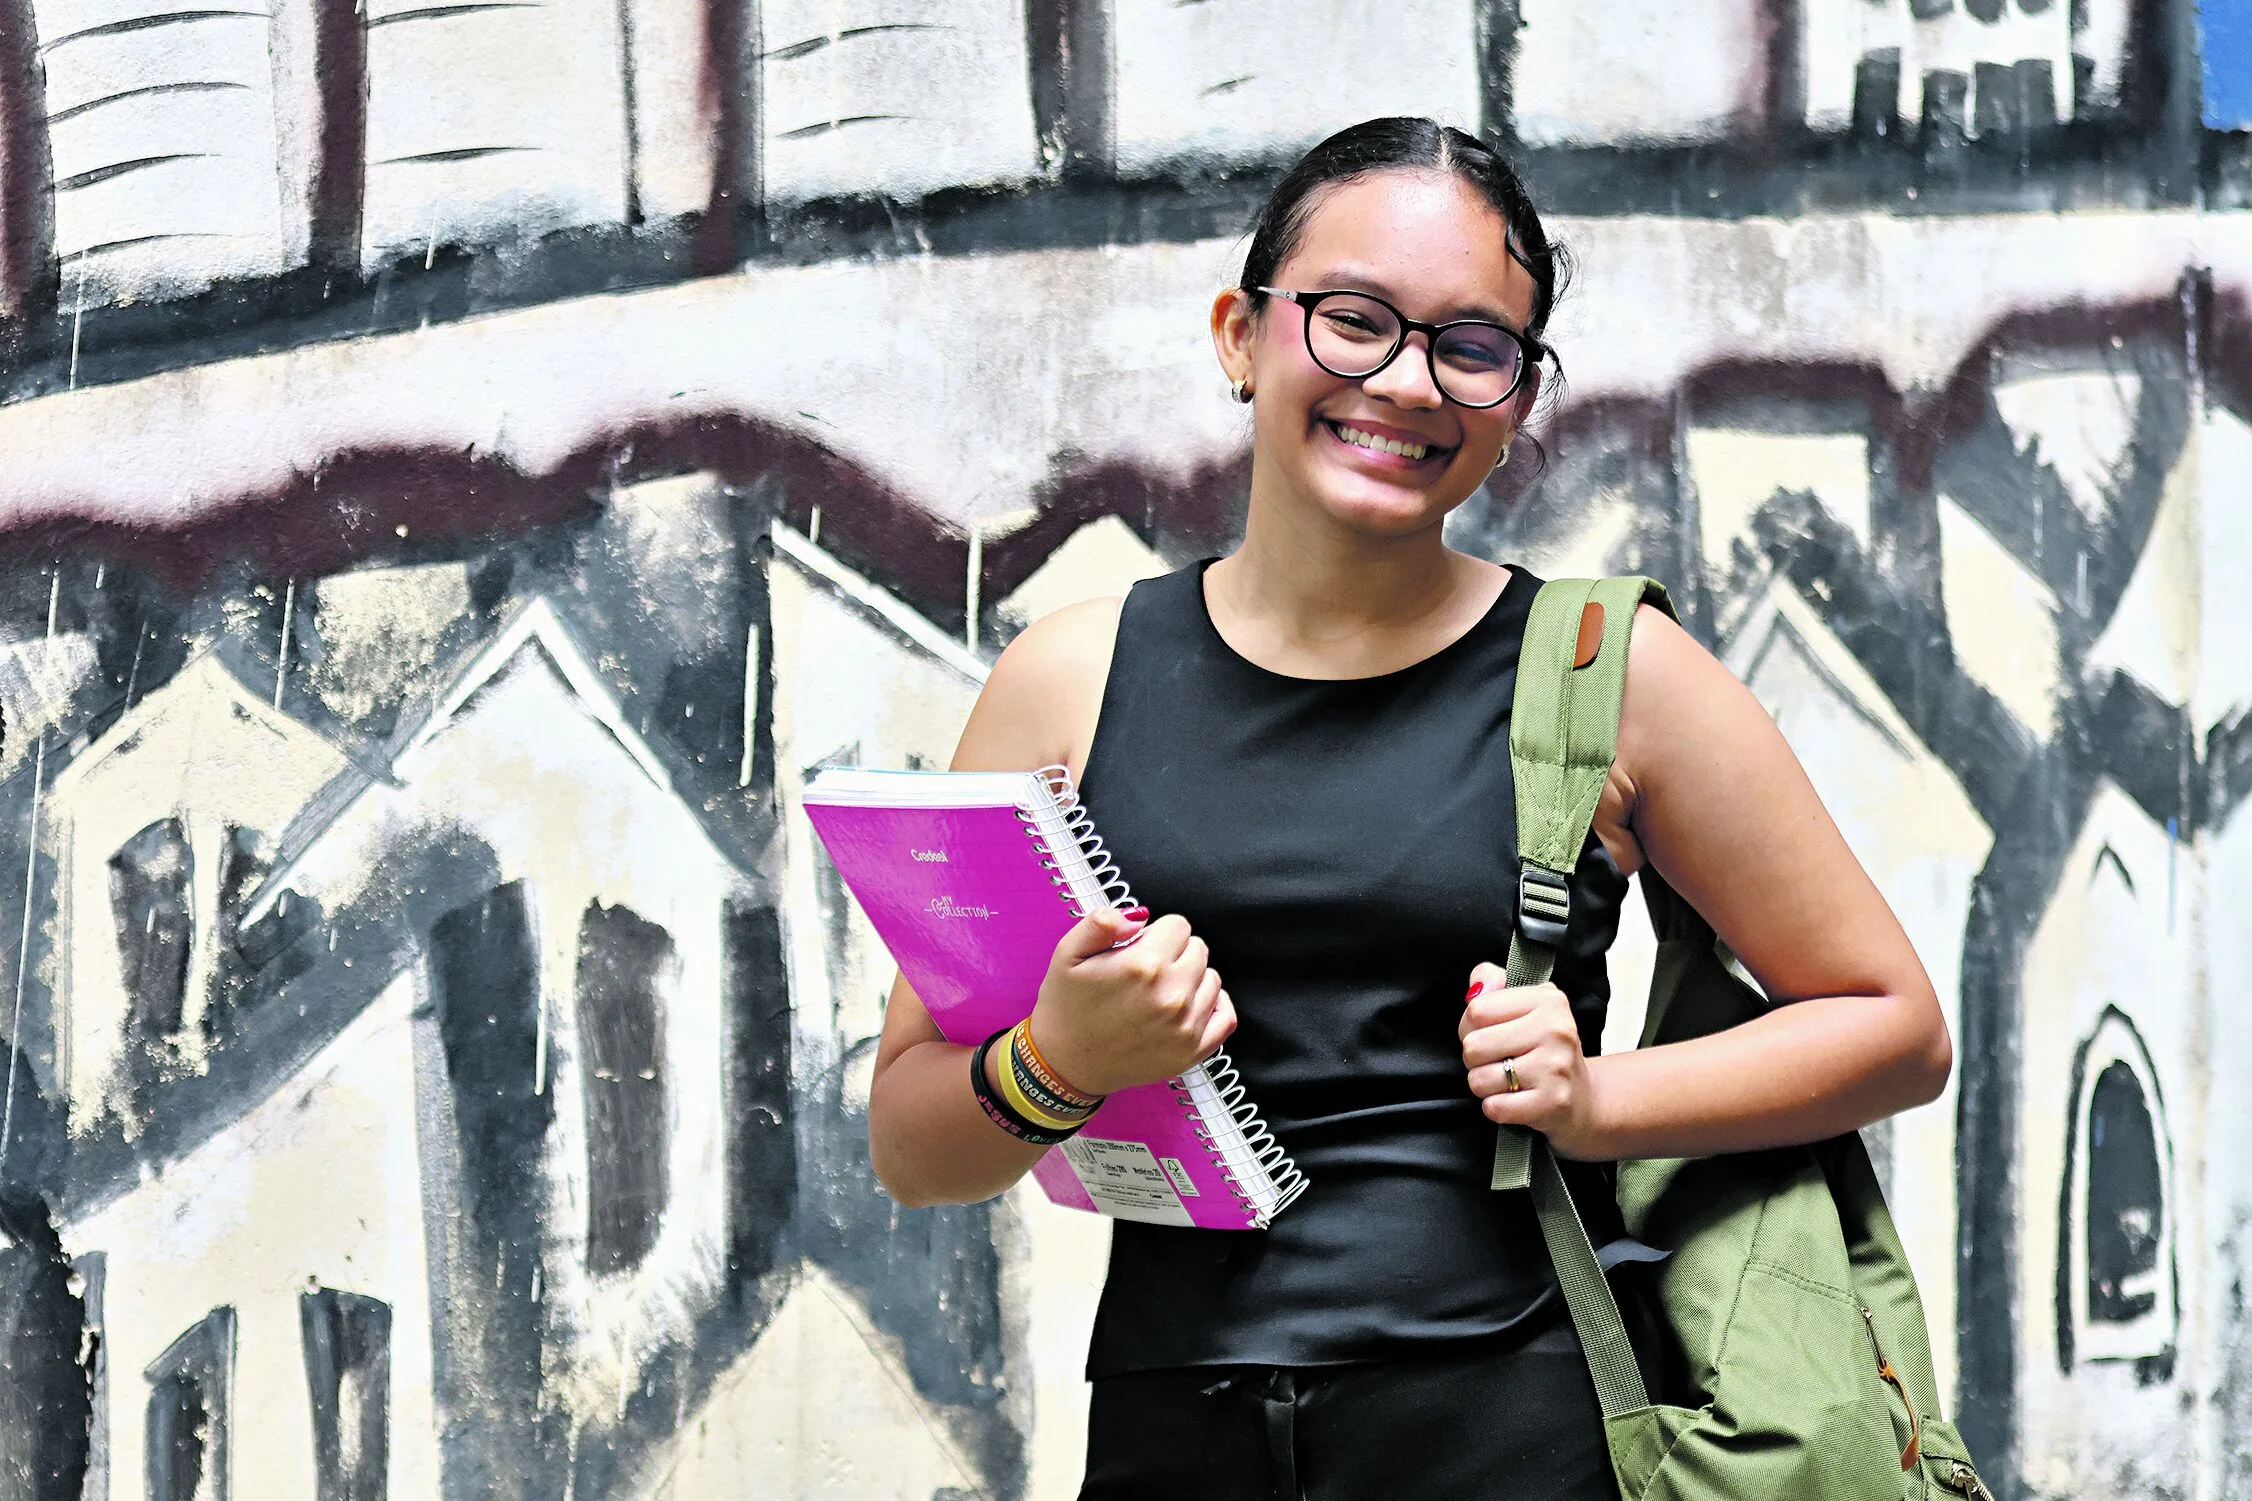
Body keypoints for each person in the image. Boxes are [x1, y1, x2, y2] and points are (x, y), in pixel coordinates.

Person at [865, 117, 1951, 1501]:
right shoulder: (1068, 680)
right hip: (1168, 1437)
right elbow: (912, 1141)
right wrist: (1059, 1059)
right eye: (1354, 319)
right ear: (1241, 334)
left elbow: (1893, 1026)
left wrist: (1599, 1101)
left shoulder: (1604, 675)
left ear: (1517, 394)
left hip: (1517, 1427)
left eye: (1472, 345)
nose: (1406, 381)